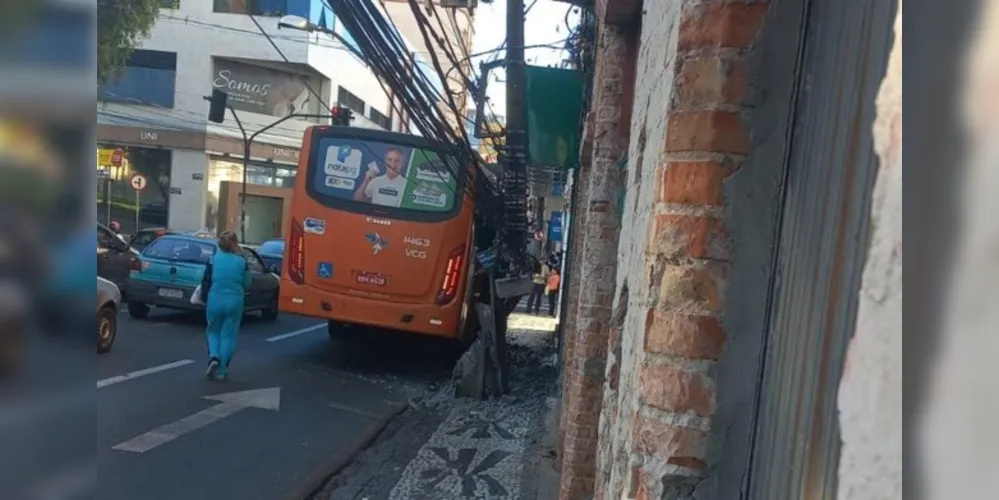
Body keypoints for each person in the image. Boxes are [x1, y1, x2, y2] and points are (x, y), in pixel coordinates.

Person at [205, 231, 251, 381]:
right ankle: (222, 370)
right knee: (228, 335)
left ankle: (214, 356)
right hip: (234, 300)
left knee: (213, 330)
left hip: (215, 298)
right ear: (235, 244)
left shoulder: (214, 259)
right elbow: (247, 283)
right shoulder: (241, 262)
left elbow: (206, 280)